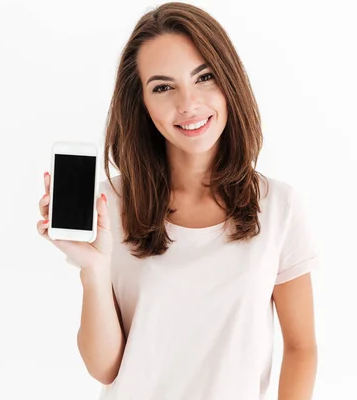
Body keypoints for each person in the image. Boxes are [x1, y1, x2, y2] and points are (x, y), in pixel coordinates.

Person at [37, 2, 320, 399]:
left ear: (229, 80)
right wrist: (93, 270)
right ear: (143, 103)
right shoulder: (109, 206)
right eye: (163, 87)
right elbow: (105, 368)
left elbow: (301, 347)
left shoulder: (279, 208)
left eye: (203, 77)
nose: (188, 104)